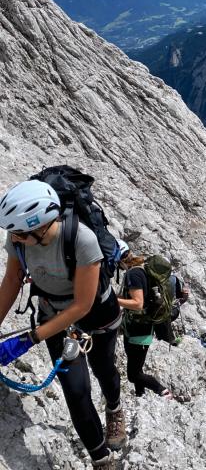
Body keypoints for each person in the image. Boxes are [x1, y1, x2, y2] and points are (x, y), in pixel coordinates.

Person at [0, 180, 124, 469]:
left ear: (41, 225)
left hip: (97, 316)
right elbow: (11, 281)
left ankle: (114, 408)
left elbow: (83, 304)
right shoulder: (19, 238)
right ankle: (102, 460)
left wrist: (29, 339)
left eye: (19, 233)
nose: (14, 239)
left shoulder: (82, 239)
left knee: (105, 371)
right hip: (54, 314)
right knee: (76, 391)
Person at [117, 244, 172, 400]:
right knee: (136, 367)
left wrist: (114, 301)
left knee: (133, 375)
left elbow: (138, 303)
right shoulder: (140, 269)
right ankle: (140, 395)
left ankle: (162, 390)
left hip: (139, 330)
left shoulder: (134, 274)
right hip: (138, 328)